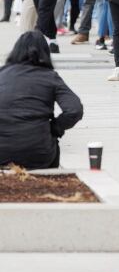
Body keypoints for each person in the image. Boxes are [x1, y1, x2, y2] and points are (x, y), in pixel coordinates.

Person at [0, 31, 83, 170]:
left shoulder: (2, 74)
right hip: (38, 153)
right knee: (51, 144)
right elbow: (74, 110)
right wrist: (54, 129)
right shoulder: (50, 77)